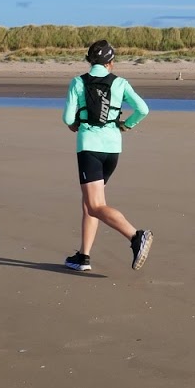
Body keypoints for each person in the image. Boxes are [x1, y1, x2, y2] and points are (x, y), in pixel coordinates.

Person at [61, 39, 152, 272]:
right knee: (90, 202)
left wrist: (74, 124)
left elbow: (68, 118)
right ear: (110, 63)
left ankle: (136, 236)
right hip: (112, 150)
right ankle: (83, 256)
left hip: (89, 148)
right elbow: (142, 109)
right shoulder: (120, 83)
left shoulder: (78, 82)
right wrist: (127, 125)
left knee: (95, 205)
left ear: (89, 60)